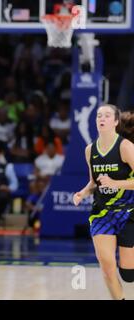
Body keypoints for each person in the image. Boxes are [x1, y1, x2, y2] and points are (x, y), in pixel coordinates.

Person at [73, 105, 134, 300]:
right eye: (99, 115)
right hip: (101, 213)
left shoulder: (126, 147)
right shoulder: (90, 150)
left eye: (107, 115)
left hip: (127, 212)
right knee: (107, 267)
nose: (102, 118)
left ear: (115, 122)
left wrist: (116, 183)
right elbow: (94, 182)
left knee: (128, 274)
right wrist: (82, 193)